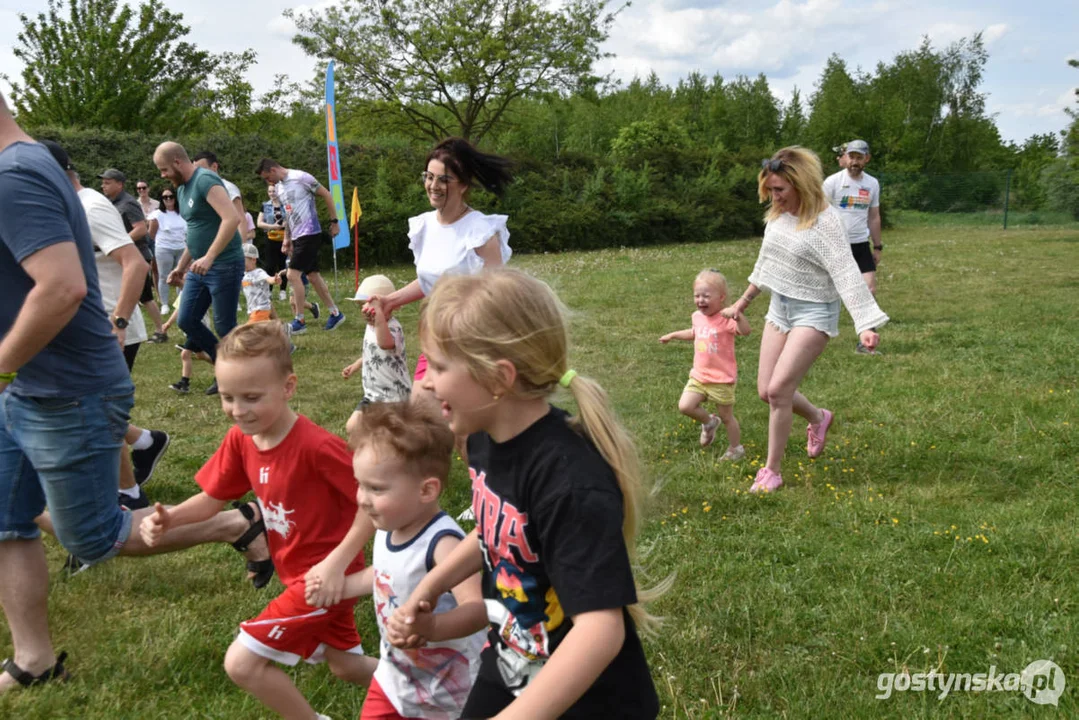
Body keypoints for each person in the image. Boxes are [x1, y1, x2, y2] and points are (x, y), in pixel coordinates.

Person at [387, 268, 664, 719]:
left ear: (498, 379)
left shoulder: (569, 483)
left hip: (588, 699)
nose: (427, 382)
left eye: (438, 366)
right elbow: (496, 534)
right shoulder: (482, 438)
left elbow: (600, 631)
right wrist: (432, 584)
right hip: (513, 660)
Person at [140, 322, 377, 720]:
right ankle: (437, 678)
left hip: (323, 580)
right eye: (227, 397)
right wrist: (172, 518)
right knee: (347, 666)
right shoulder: (241, 439)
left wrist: (337, 564)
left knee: (241, 663)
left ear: (288, 387)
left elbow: (372, 503)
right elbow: (213, 498)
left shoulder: (317, 447)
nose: (237, 410)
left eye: (251, 397)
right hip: (301, 573)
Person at [0, 95, 135, 691]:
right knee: (6, 519)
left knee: (95, 537)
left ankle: (238, 525)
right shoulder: (29, 163)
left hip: (70, 389)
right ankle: (34, 660)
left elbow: (60, 288)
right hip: (27, 383)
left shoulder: (13, 176)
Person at [722, 147, 889, 494]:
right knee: (765, 391)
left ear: (801, 184)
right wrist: (742, 302)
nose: (774, 197)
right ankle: (818, 417)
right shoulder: (777, 217)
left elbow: (846, 273)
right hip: (780, 308)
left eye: (780, 189)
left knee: (780, 391)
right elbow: (766, 265)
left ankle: (772, 471)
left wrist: (864, 323)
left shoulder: (827, 223)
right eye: (770, 190)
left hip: (814, 311)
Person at [306, 401, 486, 720]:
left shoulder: (444, 543)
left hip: (446, 693)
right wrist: (341, 587)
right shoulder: (389, 526)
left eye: (375, 488)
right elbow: (386, 573)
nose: (362, 498)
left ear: (426, 490)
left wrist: (432, 626)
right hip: (394, 678)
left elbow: (477, 609)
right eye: (359, 484)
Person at [43, 140, 169, 511]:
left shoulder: (90, 206)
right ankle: (145, 443)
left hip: (110, 329)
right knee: (88, 411)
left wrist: (117, 322)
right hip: (86, 328)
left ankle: (127, 496)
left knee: (92, 418)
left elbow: (136, 264)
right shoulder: (68, 206)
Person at [361, 138, 512, 397]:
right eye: (429, 177)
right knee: (423, 413)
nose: (433, 185)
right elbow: (432, 280)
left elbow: (498, 300)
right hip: (436, 341)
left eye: (443, 179)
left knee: (455, 425)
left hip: (471, 346)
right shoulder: (425, 226)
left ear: (463, 185)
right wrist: (389, 300)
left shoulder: (480, 234)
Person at [155, 141, 245, 397]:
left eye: (163, 170)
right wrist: (182, 267)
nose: (162, 176)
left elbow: (232, 219)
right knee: (186, 319)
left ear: (176, 162)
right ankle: (225, 368)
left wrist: (209, 257)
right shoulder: (182, 189)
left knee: (224, 324)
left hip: (224, 263)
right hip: (198, 266)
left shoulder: (205, 181)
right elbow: (196, 233)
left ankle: (234, 377)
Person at [659, 269, 750, 460]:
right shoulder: (697, 317)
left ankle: (736, 449)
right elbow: (694, 332)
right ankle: (709, 423)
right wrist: (673, 335)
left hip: (721, 378)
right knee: (685, 406)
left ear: (721, 298)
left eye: (706, 296)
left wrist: (738, 315)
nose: (701, 300)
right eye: (697, 296)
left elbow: (745, 331)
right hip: (699, 375)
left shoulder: (726, 319)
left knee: (727, 417)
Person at [255, 158, 345, 333]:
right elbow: (288, 214)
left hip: (310, 233)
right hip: (296, 236)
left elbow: (326, 194)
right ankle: (335, 313)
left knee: (292, 274)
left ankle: (300, 320)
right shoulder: (280, 188)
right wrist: (287, 238)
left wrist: (335, 221)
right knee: (313, 276)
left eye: (268, 178)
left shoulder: (301, 177)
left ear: (273, 169)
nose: (268, 182)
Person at [822, 139, 885, 354]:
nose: (854, 161)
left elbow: (874, 216)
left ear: (866, 159)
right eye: (851, 156)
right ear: (845, 157)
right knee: (824, 291)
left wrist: (877, 247)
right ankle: (808, 336)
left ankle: (865, 343)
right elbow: (819, 213)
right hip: (835, 245)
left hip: (860, 245)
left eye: (859, 157)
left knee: (869, 289)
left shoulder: (872, 184)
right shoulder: (832, 182)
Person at [99, 167, 168, 343]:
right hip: (127, 256)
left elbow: (141, 228)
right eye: (103, 182)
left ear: (120, 184)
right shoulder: (112, 202)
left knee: (144, 296)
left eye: (107, 183)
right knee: (133, 295)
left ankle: (161, 330)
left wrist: (118, 243)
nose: (103, 186)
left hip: (138, 256)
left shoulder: (128, 203)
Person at [341, 275, 411, 438]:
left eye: (370, 305)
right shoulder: (371, 326)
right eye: (363, 304)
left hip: (394, 397)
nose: (364, 309)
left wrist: (379, 317)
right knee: (352, 427)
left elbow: (385, 343)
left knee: (395, 438)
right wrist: (357, 365)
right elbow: (372, 352)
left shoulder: (393, 327)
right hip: (373, 394)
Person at [193, 151, 255, 242]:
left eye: (202, 169)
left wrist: (242, 246)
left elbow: (241, 219)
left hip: (228, 246)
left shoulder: (228, 188)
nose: (198, 173)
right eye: (196, 170)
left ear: (214, 166)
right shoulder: (197, 189)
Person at [149, 188, 187, 313]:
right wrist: (162, 244)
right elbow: (151, 234)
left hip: (181, 247)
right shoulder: (157, 214)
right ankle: (164, 304)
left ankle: (181, 301)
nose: (168, 199)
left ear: (175, 198)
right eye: (165, 197)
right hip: (164, 248)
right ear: (162, 199)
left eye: (171, 196)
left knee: (181, 275)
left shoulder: (182, 212)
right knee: (163, 276)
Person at [257, 182, 289, 300]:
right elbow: (259, 223)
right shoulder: (265, 206)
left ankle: (282, 291)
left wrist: (286, 224)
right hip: (270, 238)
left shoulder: (285, 205)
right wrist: (273, 226)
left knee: (283, 264)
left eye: (274, 191)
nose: (272, 194)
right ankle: (269, 290)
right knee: (270, 265)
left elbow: (292, 219)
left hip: (284, 237)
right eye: (270, 191)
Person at [241, 244, 283, 324]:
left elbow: (268, 279)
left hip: (260, 309)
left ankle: (280, 329)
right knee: (264, 331)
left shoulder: (259, 272)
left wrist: (274, 279)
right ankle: (282, 329)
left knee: (247, 331)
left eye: (243, 260)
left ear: (253, 259)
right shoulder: (244, 274)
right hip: (253, 310)